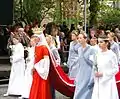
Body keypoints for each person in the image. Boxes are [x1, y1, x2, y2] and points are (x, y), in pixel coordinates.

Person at [92, 35, 119, 99]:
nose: (99, 44)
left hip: (108, 81)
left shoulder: (112, 55)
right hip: (99, 81)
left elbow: (116, 69)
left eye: (101, 42)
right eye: (98, 42)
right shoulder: (97, 54)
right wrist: (95, 72)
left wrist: (104, 74)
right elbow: (95, 65)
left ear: (106, 43)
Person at [29, 33, 52, 99]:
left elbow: (46, 61)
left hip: (41, 70)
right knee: (35, 85)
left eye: (36, 37)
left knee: (41, 85)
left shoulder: (44, 47)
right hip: (36, 70)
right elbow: (35, 58)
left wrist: (36, 66)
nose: (35, 39)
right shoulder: (36, 47)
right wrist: (33, 66)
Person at [73, 33, 95, 99]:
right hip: (81, 72)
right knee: (78, 90)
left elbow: (94, 63)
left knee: (87, 91)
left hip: (88, 72)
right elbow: (79, 63)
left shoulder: (91, 49)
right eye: (78, 38)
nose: (79, 40)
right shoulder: (79, 49)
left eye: (80, 38)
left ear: (85, 39)